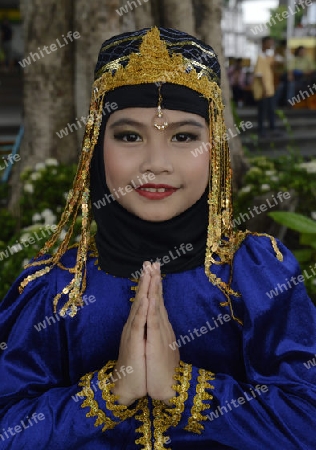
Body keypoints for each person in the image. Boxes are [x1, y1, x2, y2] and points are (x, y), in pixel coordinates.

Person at [0, 26, 315, 450]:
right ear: (95, 145)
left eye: (184, 137)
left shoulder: (255, 273)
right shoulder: (55, 285)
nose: (156, 163)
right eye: (130, 136)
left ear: (215, 147)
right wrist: (111, 392)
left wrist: (182, 390)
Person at [253, 36, 277, 138]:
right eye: (269, 43)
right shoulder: (260, 57)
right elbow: (259, 74)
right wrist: (264, 89)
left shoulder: (267, 57)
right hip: (263, 89)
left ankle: (272, 129)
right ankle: (261, 130)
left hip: (269, 89)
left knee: (271, 109)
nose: (271, 45)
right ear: (264, 43)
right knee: (262, 111)